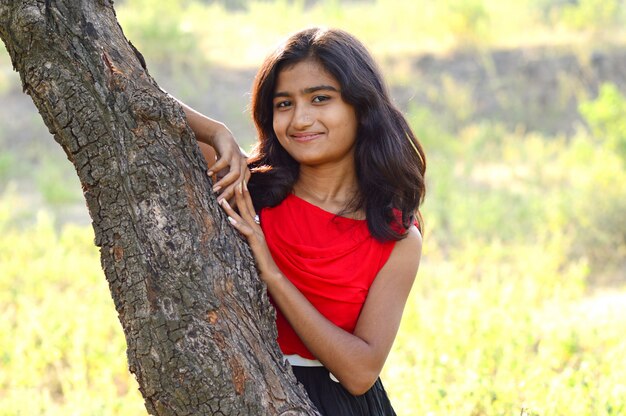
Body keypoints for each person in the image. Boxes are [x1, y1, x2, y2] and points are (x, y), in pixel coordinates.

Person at [184, 27, 425, 415]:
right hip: (241, 396)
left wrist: (272, 272)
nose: (300, 119)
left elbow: (360, 372)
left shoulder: (394, 236)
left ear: (361, 108)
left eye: (320, 99)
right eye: (284, 104)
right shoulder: (248, 188)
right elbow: (138, 94)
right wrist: (216, 132)